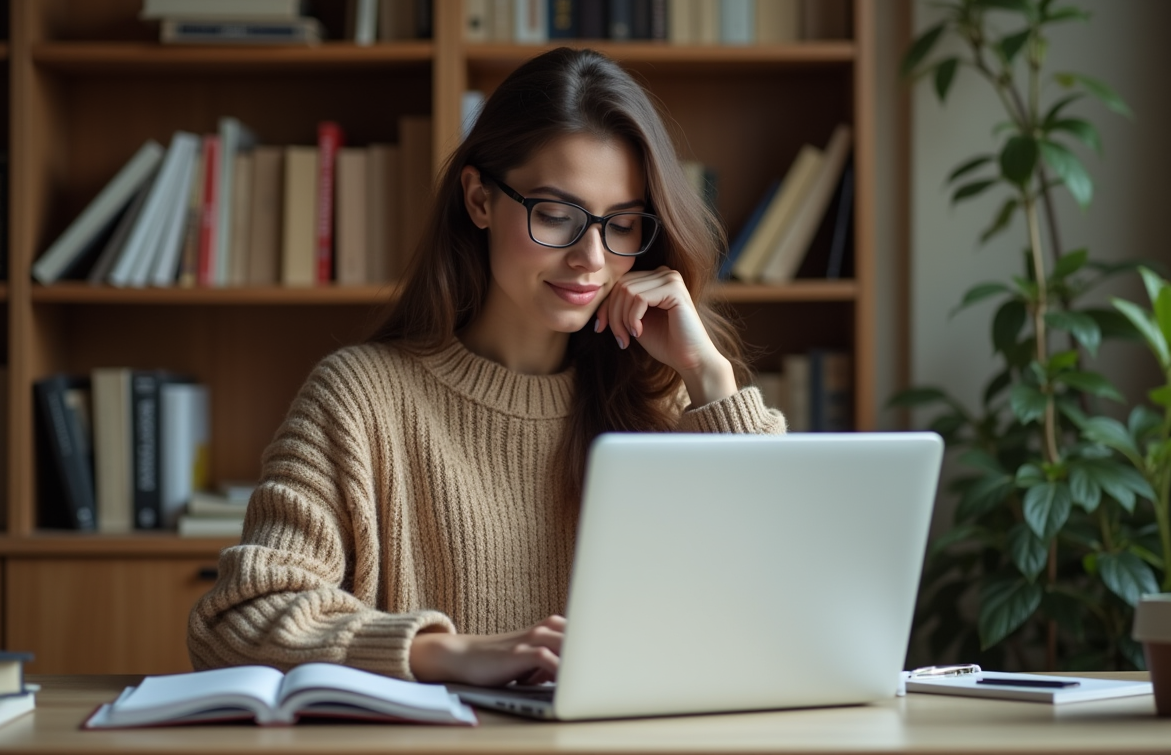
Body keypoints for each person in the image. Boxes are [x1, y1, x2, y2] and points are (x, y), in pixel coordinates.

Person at [187, 47, 785, 687]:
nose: (591, 257)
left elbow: (786, 598)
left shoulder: (664, 405)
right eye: (556, 215)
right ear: (479, 199)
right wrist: (448, 654)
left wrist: (711, 378)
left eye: (623, 224)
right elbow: (238, 620)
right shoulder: (359, 398)